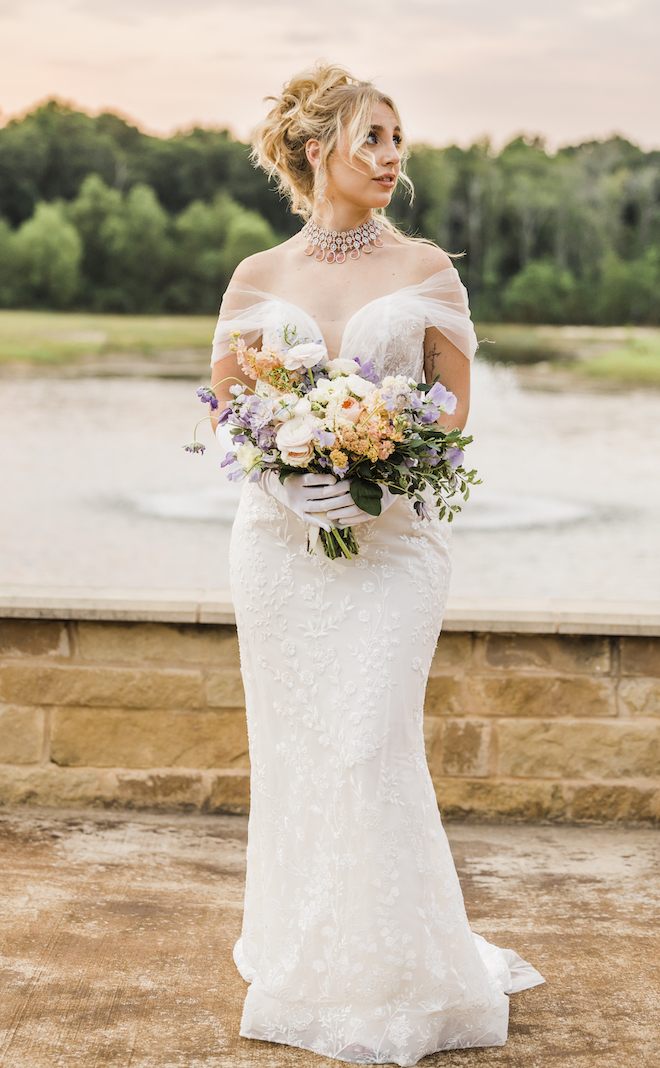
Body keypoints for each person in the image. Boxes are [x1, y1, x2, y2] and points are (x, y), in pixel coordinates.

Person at [209, 62, 544, 1066]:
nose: (394, 158)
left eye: (400, 139)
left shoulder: (427, 270)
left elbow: (450, 407)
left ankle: (398, 973)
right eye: (374, 138)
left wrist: (386, 465)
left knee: (366, 744)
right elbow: (228, 403)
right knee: (301, 750)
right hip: (279, 547)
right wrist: (281, 479)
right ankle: (309, 950)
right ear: (320, 153)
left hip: (395, 544)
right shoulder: (258, 277)